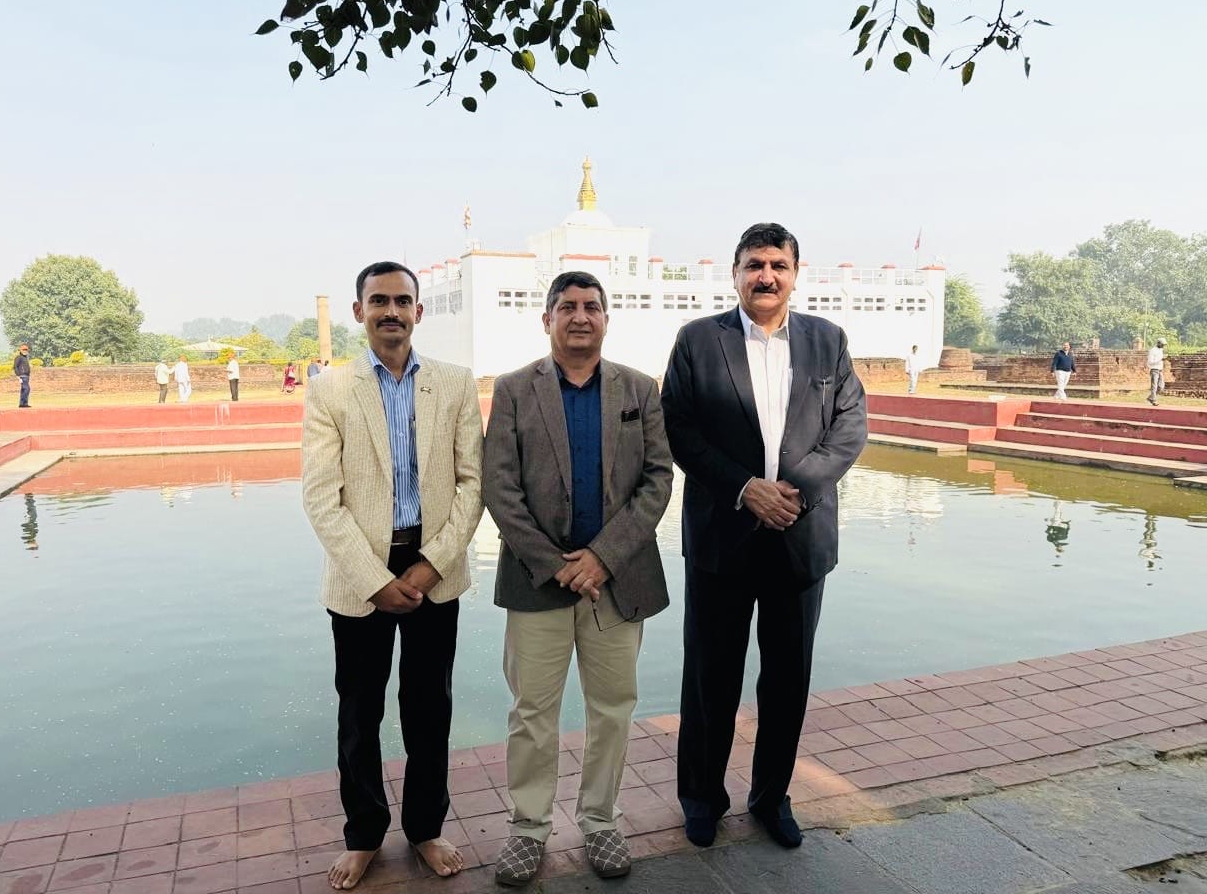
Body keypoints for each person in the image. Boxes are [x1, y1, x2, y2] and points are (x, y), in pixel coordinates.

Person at [661, 222, 867, 850]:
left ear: (796, 274)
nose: (766, 276)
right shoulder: (699, 341)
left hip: (799, 541)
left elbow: (849, 428)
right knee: (709, 678)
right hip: (723, 538)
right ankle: (701, 797)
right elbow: (680, 428)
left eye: (778, 264)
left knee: (787, 679)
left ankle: (771, 797)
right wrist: (746, 488)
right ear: (736, 273)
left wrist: (794, 490)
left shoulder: (827, 342)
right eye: (755, 264)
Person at [483, 272, 673, 887]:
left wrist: (601, 557)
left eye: (592, 306)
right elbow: (500, 488)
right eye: (567, 307)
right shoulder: (515, 390)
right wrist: (556, 562)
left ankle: (600, 821)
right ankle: (528, 829)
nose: (580, 316)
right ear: (547, 320)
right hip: (537, 580)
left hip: (616, 581)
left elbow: (657, 480)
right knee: (533, 710)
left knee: (612, 708)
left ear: (607, 319)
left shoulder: (640, 390)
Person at [301, 261, 484, 890]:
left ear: (418, 312)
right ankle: (364, 834)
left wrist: (431, 565)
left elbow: (472, 485)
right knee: (360, 713)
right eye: (378, 301)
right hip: (360, 576)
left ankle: (426, 828)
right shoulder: (330, 389)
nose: (390, 312)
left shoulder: (454, 386)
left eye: (402, 301)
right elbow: (323, 497)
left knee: (429, 708)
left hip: (435, 565)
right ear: (359, 311)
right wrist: (374, 579)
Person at [1147, 337, 1167, 405]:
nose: (1163, 345)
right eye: (1162, 344)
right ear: (1158, 343)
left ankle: (1151, 397)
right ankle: (1154, 400)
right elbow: (1150, 362)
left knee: (1161, 386)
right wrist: (1160, 359)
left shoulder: (1161, 350)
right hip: (1154, 370)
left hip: (1160, 370)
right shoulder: (1153, 350)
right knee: (1154, 386)